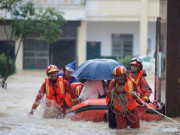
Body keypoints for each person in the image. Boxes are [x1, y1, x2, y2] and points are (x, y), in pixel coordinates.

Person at [107, 65, 141, 129]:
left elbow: (139, 94)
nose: (119, 79)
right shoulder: (113, 83)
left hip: (132, 109)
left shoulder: (132, 82)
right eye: (117, 77)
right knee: (121, 130)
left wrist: (135, 95)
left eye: (121, 77)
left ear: (125, 75)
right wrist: (117, 91)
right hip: (119, 111)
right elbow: (109, 95)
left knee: (136, 129)